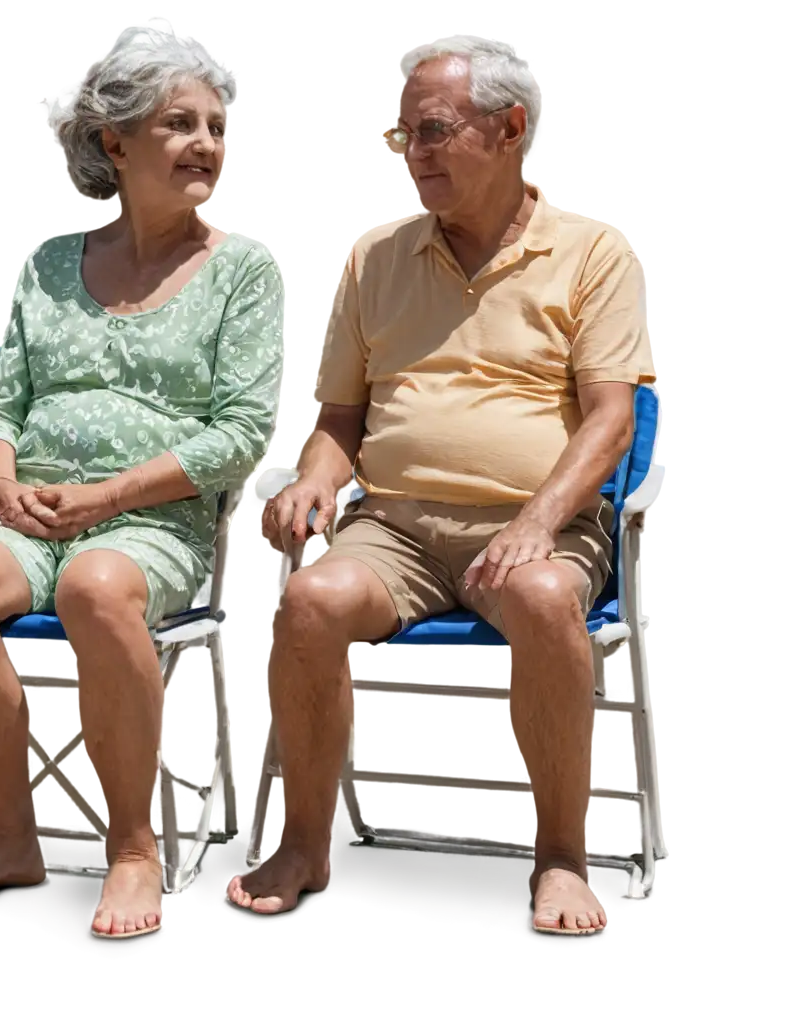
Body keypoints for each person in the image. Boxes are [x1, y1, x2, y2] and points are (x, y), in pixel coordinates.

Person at [227, 35, 655, 937]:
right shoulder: (372, 258)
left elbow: (612, 419)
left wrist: (539, 521)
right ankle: (303, 844)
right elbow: (341, 416)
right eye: (402, 135)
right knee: (309, 599)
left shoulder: (592, 251)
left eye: (432, 131)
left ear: (510, 128)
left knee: (542, 598)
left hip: (538, 520)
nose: (412, 154)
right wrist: (313, 477)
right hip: (399, 528)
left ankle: (562, 861)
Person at [0, 25, 284, 940]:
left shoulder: (242, 269)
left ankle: (133, 850)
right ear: (115, 144)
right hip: (28, 509)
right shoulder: (46, 264)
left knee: (95, 584)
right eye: (179, 123)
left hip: (151, 525)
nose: (206, 145)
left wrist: (110, 498)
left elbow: (237, 436)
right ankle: (10, 838)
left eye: (217, 128)